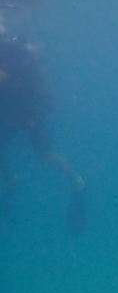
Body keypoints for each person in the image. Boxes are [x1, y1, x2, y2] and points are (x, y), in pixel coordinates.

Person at [0, 16, 86, 235]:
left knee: (45, 156)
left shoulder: (12, 50)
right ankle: (74, 181)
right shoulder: (16, 47)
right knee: (45, 156)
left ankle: (76, 182)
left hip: (27, 113)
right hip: (22, 113)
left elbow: (7, 77)